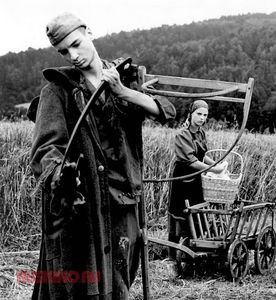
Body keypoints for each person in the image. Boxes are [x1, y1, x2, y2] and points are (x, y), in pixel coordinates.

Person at [29, 13, 176, 299]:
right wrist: (62, 176)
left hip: (125, 204)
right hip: (87, 207)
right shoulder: (58, 91)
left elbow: (166, 111)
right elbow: (45, 150)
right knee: (89, 288)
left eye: (76, 44)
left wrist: (122, 91)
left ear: (89, 32)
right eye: (64, 51)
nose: (73, 56)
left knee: (122, 278)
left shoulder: (124, 80)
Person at [167, 100, 226, 261]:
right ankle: (172, 254)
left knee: (196, 209)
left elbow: (202, 155)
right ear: (191, 114)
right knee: (180, 212)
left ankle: (191, 247)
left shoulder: (201, 133)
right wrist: (214, 169)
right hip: (183, 178)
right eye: (199, 114)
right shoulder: (182, 134)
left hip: (196, 178)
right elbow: (191, 161)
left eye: (205, 115)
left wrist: (215, 164)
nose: (202, 118)